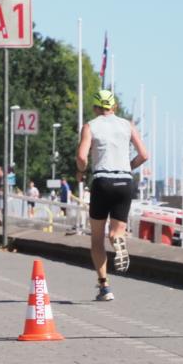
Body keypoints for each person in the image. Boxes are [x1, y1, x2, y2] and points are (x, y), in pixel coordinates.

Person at [75, 89, 148, 302]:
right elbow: (144, 155)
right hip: (124, 181)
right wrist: (128, 167)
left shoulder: (91, 126)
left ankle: (104, 286)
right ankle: (118, 240)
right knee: (116, 232)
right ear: (114, 107)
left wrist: (81, 171)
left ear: (96, 108)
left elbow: (81, 156)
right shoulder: (127, 125)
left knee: (97, 238)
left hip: (102, 181)